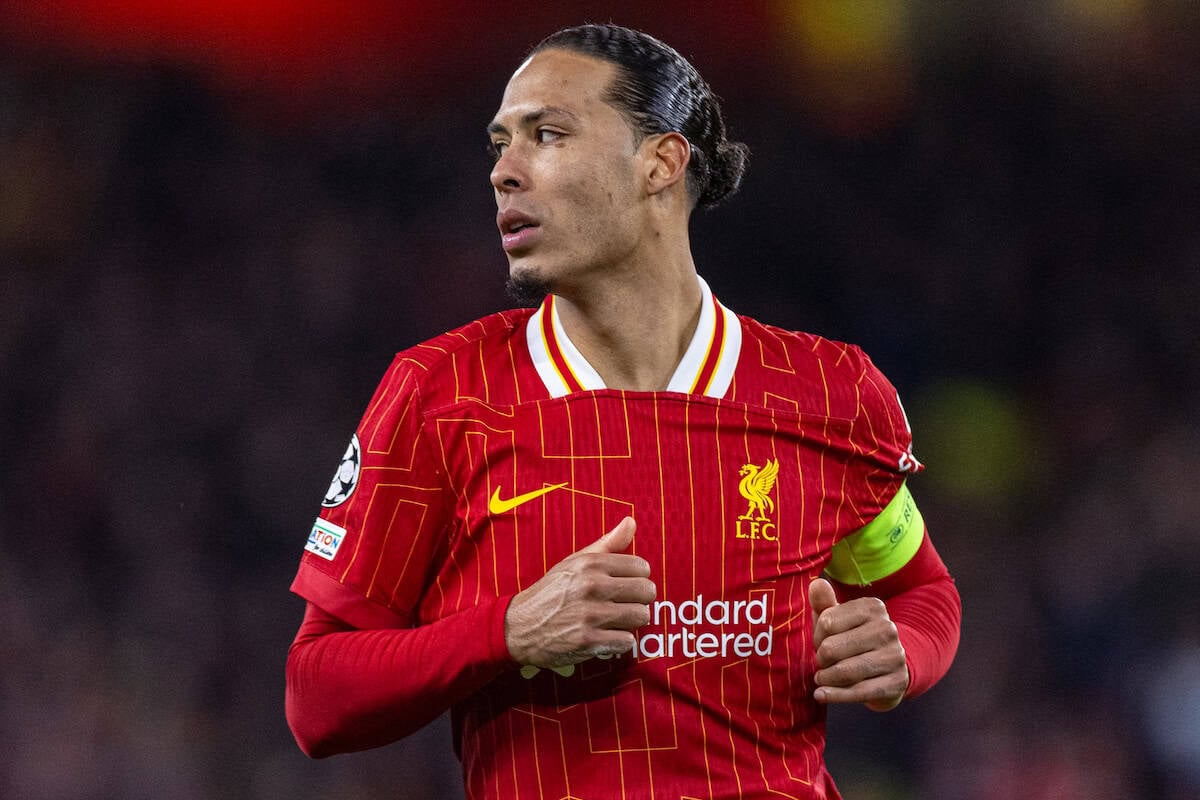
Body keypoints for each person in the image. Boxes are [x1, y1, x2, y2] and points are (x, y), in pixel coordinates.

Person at [285, 23, 961, 800]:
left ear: (661, 164)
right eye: (499, 144)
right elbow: (317, 698)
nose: (505, 171)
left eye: (548, 134)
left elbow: (922, 591)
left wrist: (903, 650)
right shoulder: (441, 394)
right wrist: (506, 631)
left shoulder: (825, 389)